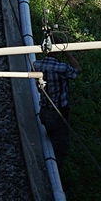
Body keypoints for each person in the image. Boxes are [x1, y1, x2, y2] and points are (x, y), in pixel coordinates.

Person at [33, 31, 82, 167]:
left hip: (44, 110)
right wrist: (66, 52)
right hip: (58, 113)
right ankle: (55, 173)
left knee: (48, 136)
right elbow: (77, 68)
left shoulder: (36, 65)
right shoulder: (62, 68)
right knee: (60, 146)